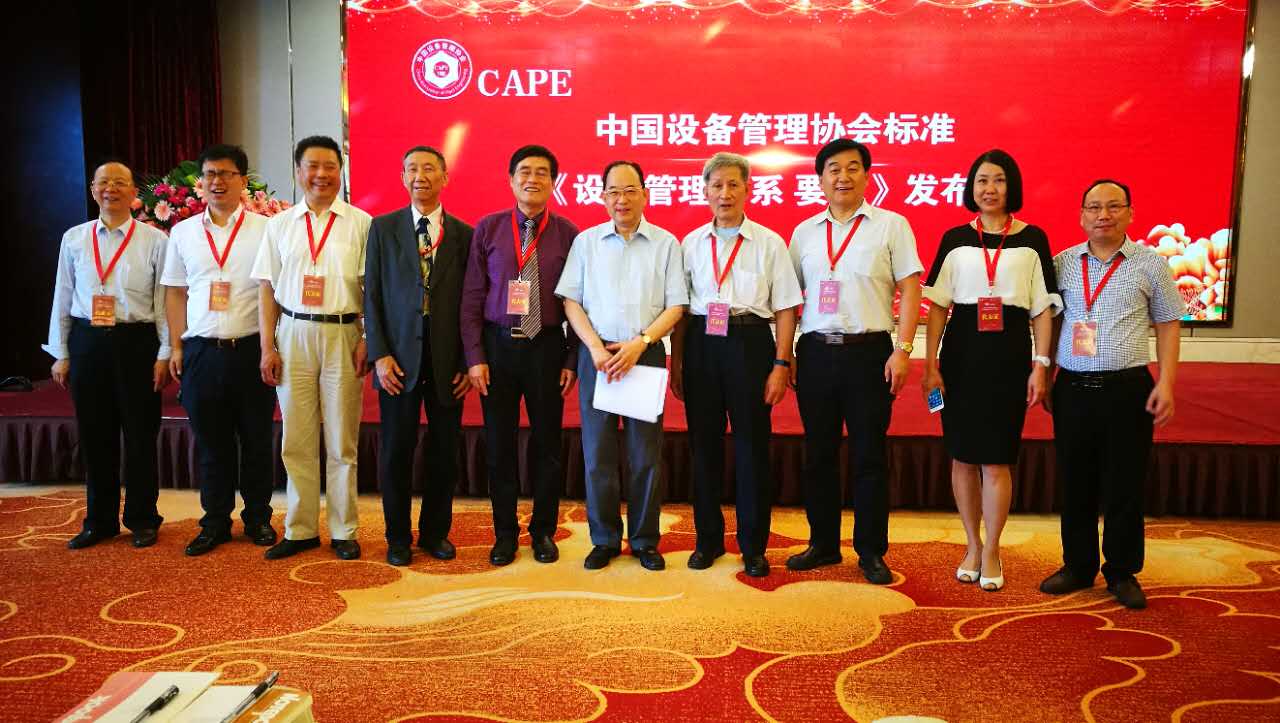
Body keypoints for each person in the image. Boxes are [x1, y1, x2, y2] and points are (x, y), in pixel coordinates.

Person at [1039, 179, 1182, 609]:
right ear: (1082, 215)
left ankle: (1121, 571)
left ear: (1130, 213)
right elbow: (1051, 322)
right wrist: (1044, 373)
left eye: (1114, 206)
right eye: (1094, 207)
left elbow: (1168, 324)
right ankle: (1078, 566)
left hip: (1127, 389)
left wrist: (1167, 382)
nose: (1103, 215)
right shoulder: (1063, 263)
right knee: (1075, 481)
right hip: (1073, 388)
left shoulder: (1151, 264)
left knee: (1125, 483)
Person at [921, 149, 1060, 591]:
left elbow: (1042, 309)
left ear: (1011, 185)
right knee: (963, 457)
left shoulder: (1033, 239)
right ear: (971, 187)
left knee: (997, 459)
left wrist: (1041, 365)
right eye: (982, 180)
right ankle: (972, 545)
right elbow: (937, 306)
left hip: (1009, 355)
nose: (989, 189)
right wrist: (930, 364)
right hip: (961, 354)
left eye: (998, 180)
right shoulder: (954, 238)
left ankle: (994, 548)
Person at [786, 139, 923, 585]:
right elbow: (787, 297)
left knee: (869, 456)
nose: (842, 177)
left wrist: (903, 349)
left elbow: (911, 288)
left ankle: (871, 551)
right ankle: (823, 543)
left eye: (852, 168)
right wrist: (785, 354)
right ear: (820, 179)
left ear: (867, 175)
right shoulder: (805, 232)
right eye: (833, 169)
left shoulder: (891, 226)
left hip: (870, 353)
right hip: (816, 352)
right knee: (819, 454)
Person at [670, 152, 802, 578]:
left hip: (750, 344)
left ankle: (753, 546)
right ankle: (707, 540)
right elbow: (680, 310)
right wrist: (677, 362)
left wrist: (781, 362)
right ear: (705, 191)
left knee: (751, 449)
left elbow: (785, 308)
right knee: (703, 448)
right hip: (701, 345)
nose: (724, 193)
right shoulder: (689, 244)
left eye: (733, 185)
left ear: (748, 189)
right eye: (716, 185)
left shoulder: (769, 243)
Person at [555, 160, 687, 571]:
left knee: (644, 454)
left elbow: (676, 305)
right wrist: (595, 348)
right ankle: (605, 538)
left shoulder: (666, 244)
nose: (622, 199)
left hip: (644, 355)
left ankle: (645, 539)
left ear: (645, 194)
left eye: (630, 191)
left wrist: (641, 343)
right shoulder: (587, 242)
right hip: (597, 357)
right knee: (598, 453)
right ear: (602, 196)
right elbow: (571, 301)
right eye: (613, 191)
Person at [251, 135, 372, 561]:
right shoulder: (279, 225)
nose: (321, 174)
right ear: (299, 172)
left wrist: (367, 338)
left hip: (343, 333)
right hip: (293, 333)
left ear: (341, 171)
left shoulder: (361, 222)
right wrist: (267, 346)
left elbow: (371, 289)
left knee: (342, 439)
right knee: (297, 438)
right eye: (312, 166)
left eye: (330, 167)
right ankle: (300, 528)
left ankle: (343, 529)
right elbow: (266, 289)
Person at [460, 145, 580, 567]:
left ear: (554, 183)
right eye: (525, 171)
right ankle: (505, 534)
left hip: (547, 346)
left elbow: (580, 301)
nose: (533, 179)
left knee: (548, 445)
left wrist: (571, 359)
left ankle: (543, 531)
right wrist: (474, 356)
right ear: (511, 180)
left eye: (542, 172)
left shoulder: (569, 234)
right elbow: (472, 295)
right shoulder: (489, 228)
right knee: (500, 445)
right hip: (497, 348)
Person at [45, 161, 171, 549]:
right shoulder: (74, 238)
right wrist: (61, 351)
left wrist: (165, 352)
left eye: (119, 183)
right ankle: (99, 521)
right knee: (95, 434)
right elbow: (63, 295)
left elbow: (163, 301)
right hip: (88, 342)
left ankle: (142, 518)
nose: (110, 189)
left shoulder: (154, 240)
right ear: (92, 190)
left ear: (133, 192)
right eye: (103, 182)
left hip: (137, 342)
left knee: (140, 434)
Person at [162, 144, 278, 556]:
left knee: (257, 441)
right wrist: (176, 345)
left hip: (250, 350)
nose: (217, 181)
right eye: (210, 174)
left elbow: (272, 291)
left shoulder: (266, 229)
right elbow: (175, 293)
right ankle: (214, 522)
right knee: (211, 443)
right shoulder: (183, 232)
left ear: (243, 181)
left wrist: (269, 346)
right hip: (201, 351)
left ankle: (258, 518)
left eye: (226, 174)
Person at [365, 145, 473, 566]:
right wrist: (379, 355)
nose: (420, 176)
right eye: (412, 168)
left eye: (429, 169)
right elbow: (372, 295)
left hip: (447, 359)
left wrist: (466, 361)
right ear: (402, 177)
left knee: (444, 452)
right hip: (397, 359)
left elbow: (472, 302)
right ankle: (397, 537)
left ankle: (434, 533)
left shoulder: (464, 233)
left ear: (445, 178)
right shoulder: (383, 228)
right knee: (396, 450)